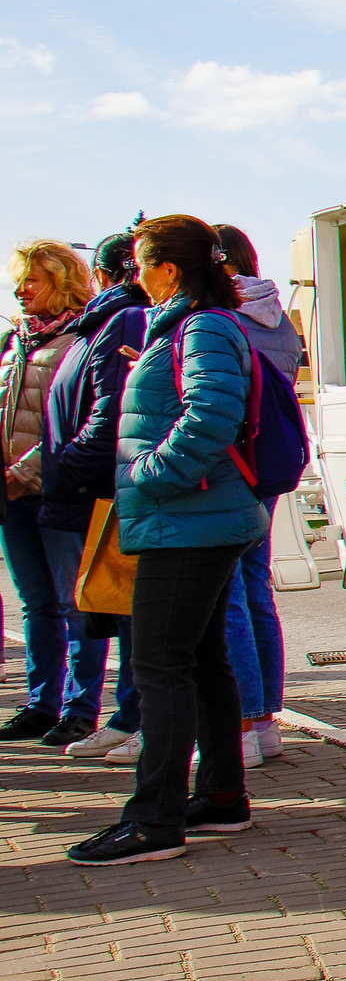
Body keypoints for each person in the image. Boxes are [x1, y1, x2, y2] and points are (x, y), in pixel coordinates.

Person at [67, 215, 261, 866]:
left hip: (186, 519)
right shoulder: (187, 326)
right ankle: (222, 797)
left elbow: (211, 413)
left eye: (141, 264)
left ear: (168, 269)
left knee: (159, 666)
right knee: (199, 660)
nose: (136, 276)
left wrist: (152, 473)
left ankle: (155, 820)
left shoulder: (201, 327)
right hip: (193, 518)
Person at [36, 230, 147, 757]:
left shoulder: (120, 319)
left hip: (96, 487)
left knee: (120, 611)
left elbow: (109, 413)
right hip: (84, 484)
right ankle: (126, 716)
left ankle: (132, 717)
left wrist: (63, 471)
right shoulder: (97, 323)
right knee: (104, 608)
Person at [2, 240, 96, 745]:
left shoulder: (80, 339)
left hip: (56, 491)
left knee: (74, 602)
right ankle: (41, 705)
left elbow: (74, 422)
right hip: (12, 495)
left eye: (31, 281)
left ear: (61, 282)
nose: (21, 291)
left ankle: (81, 709)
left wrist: (25, 470)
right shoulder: (13, 341)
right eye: (18, 281)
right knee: (35, 603)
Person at [212, 224, 298, 767]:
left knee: (230, 593)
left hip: (233, 462)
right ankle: (265, 720)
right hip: (270, 460)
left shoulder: (222, 317)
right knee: (255, 585)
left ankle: (242, 722)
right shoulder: (278, 317)